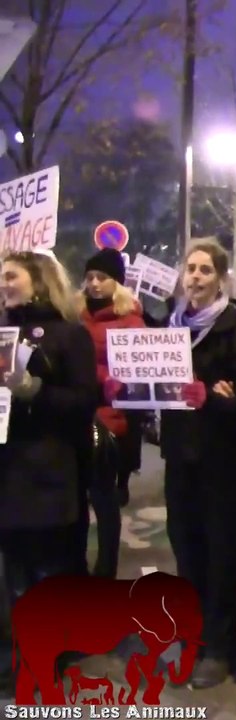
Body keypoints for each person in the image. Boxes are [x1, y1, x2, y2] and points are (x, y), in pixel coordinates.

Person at [106, 241, 236, 688]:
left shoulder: (233, 327)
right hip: (179, 455)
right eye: (190, 268)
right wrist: (126, 385)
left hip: (221, 460)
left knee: (221, 553)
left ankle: (220, 647)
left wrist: (212, 397)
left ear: (221, 278)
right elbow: (150, 378)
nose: (196, 277)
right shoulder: (171, 326)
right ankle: (194, 639)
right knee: (187, 550)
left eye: (206, 270)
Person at [0, 250, 97, 601]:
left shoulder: (70, 335)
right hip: (7, 473)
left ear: (39, 282)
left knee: (52, 574)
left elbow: (84, 401)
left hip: (49, 476)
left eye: (11, 276)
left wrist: (35, 390)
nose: (3, 284)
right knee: (17, 577)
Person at [74, 248, 146, 579]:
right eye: (89, 277)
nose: (94, 284)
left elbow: (138, 372)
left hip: (109, 421)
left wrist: (105, 380)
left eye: (101, 277)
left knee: (104, 501)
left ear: (116, 282)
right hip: (76, 415)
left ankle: (106, 570)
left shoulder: (131, 321)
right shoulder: (75, 317)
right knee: (76, 501)